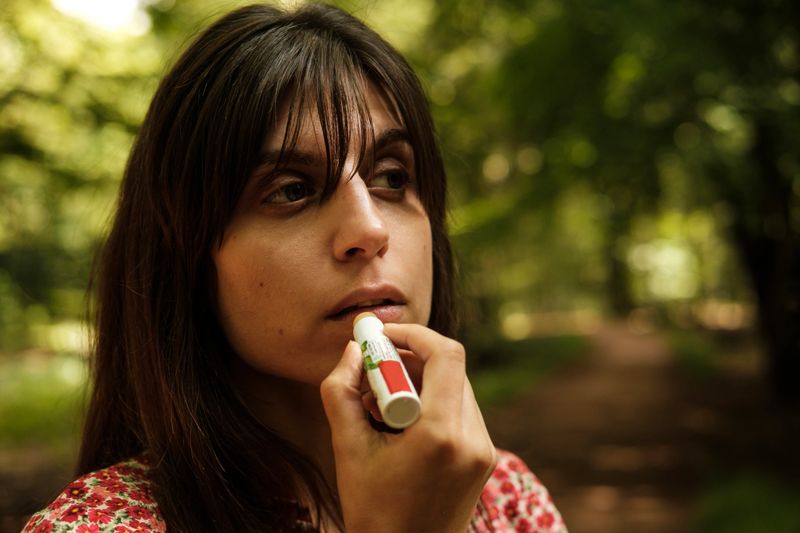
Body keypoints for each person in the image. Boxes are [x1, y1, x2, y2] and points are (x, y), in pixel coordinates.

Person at [23, 3, 566, 532]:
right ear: (186, 257)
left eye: (393, 178)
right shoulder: (98, 525)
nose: (370, 230)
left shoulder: (505, 495)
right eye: (292, 190)